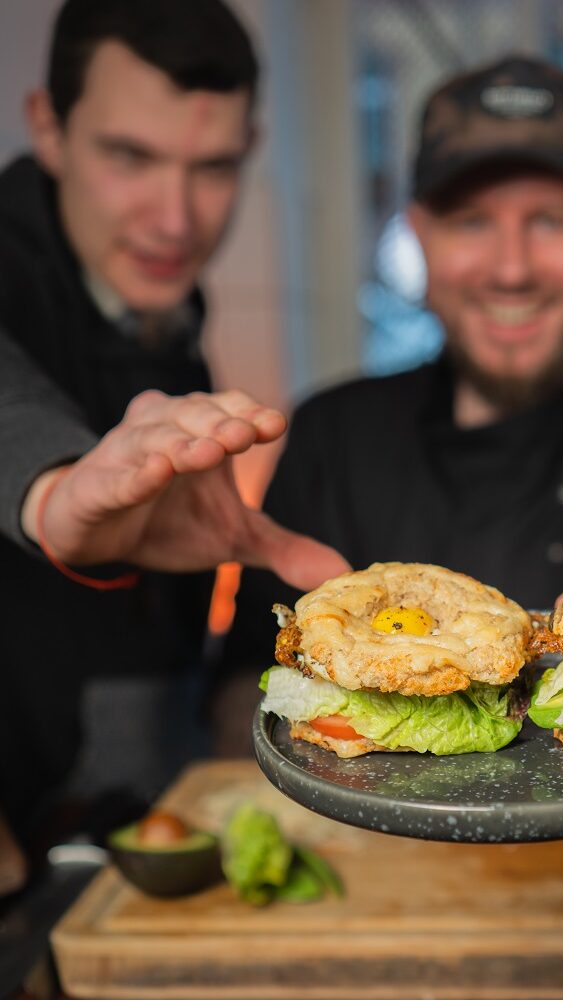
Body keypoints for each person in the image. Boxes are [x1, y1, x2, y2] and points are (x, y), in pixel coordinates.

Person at [214, 56, 563, 734]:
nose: (511, 268)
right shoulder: (332, 437)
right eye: (472, 220)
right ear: (421, 237)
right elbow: (244, 689)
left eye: (553, 221)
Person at [0, 0, 348, 880]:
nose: (175, 217)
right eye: (130, 157)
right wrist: (53, 492)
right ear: (47, 126)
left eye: (215, 167)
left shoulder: (162, 309)